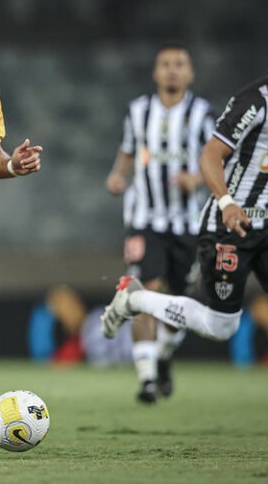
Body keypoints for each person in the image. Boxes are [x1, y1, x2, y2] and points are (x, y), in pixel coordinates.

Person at [102, 29, 268, 437]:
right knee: (222, 326)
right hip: (226, 226)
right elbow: (210, 155)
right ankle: (135, 298)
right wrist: (227, 201)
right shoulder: (253, 102)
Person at [106, 43, 214, 404]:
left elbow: (216, 159)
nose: (171, 70)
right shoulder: (138, 111)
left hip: (187, 223)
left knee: (179, 298)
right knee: (144, 289)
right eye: (165, 64)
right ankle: (147, 378)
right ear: (155, 72)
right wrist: (118, 177)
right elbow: (127, 152)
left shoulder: (202, 114)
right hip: (144, 220)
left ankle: (164, 355)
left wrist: (196, 179)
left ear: (190, 73)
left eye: (179, 64)